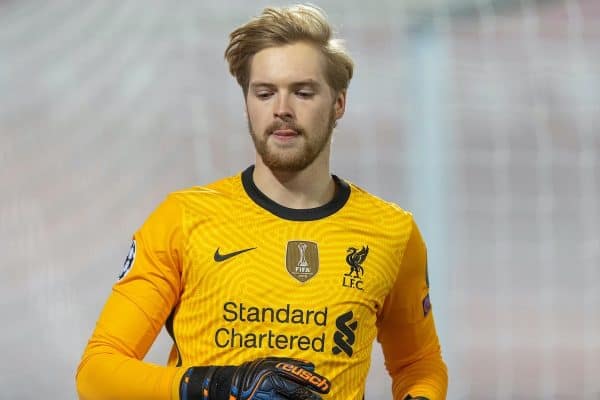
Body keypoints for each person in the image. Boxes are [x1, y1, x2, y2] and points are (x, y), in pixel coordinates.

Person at [76, 4, 448, 400]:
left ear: (339, 103)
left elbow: (418, 363)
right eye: (265, 93)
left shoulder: (393, 232)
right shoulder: (182, 220)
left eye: (303, 92)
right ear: (247, 104)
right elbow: (97, 373)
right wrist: (216, 386)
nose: (282, 109)